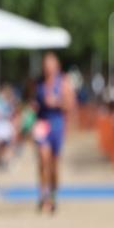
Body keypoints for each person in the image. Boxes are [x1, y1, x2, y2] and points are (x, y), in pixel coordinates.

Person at [32, 52, 76, 213]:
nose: (48, 67)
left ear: (56, 65)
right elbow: (32, 102)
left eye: (51, 64)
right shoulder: (39, 83)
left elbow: (70, 106)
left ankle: (53, 194)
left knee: (54, 164)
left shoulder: (63, 82)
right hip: (42, 124)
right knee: (43, 159)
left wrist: (57, 103)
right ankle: (43, 195)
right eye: (46, 64)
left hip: (57, 124)